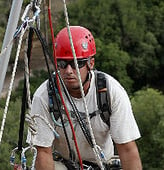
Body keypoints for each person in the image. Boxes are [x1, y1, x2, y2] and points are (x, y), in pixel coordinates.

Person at [26, 26, 142, 170]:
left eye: (76, 63)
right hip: (63, 164)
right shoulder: (44, 96)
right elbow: (42, 151)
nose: (68, 71)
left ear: (90, 63)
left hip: (102, 163)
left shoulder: (110, 92)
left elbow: (127, 148)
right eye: (62, 64)